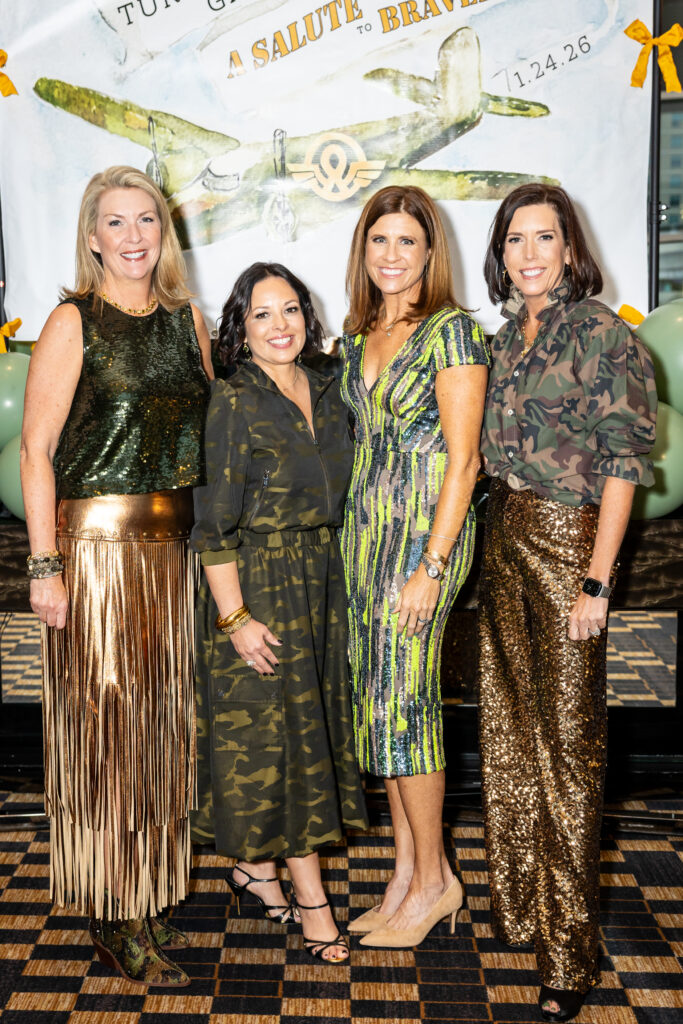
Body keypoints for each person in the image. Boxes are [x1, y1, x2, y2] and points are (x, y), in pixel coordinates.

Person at [20, 165, 213, 987]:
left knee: (162, 730)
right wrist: (44, 565)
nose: (134, 237)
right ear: (92, 235)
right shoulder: (74, 321)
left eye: (147, 222)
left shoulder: (188, 321)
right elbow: (35, 451)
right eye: (117, 223)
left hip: (171, 558)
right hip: (94, 558)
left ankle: (149, 887)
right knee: (105, 732)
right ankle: (108, 908)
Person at [478, 184, 657, 1021]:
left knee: (569, 753)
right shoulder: (502, 339)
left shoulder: (603, 335)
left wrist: (595, 581)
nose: (528, 254)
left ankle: (570, 951)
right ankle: (523, 915)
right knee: (510, 739)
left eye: (542, 237)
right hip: (504, 543)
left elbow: (622, 464)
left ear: (569, 246)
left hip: (568, 549)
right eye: (515, 239)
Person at [191, 262, 368, 964]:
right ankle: (311, 899)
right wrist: (235, 620)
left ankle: (255, 871)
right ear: (241, 327)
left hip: (323, 581)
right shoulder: (234, 401)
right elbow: (212, 526)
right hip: (259, 584)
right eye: (262, 314)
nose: (280, 325)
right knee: (282, 745)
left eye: (290, 309)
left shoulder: (328, 387)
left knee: (308, 736)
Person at [340, 185, 490, 948]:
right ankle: (405, 876)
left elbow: (464, 464)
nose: (392, 255)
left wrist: (433, 567)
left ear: (430, 253)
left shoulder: (451, 334)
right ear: (362, 251)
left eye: (407, 242)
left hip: (422, 542)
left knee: (409, 706)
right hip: (362, 542)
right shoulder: (357, 331)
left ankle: (435, 882)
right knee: (382, 711)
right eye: (379, 241)